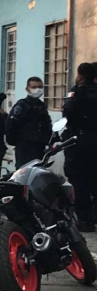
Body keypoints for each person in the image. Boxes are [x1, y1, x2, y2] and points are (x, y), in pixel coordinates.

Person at [63, 63, 97, 232]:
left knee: (79, 183)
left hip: (80, 144)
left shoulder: (76, 93)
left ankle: (85, 220)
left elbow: (67, 114)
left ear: (80, 76)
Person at [5, 77, 52, 168]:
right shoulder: (22, 105)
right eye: (34, 87)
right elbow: (11, 125)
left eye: (40, 87)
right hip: (25, 148)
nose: (37, 89)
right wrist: (16, 142)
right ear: (27, 89)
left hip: (39, 147)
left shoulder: (41, 106)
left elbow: (46, 124)